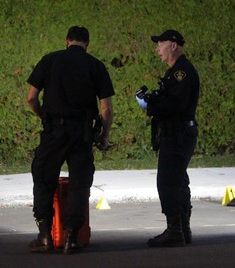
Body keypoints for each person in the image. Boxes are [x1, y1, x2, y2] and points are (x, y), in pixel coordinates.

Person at [26, 26, 115, 254]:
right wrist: (104, 136)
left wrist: (44, 117)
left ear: (67, 41)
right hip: (82, 134)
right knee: (79, 184)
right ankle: (71, 238)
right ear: (87, 44)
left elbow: (31, 98)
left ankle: (45, 236)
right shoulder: (96, 66)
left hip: (54, 131)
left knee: (44, 179)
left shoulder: (50, 60)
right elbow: (106, 109)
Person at [136, 29, 200, 247]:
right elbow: (171, 98)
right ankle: (182, 229)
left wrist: (150, 104)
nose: (157, 49)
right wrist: (153, 98)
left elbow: (176, 104)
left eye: (160, 44)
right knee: (178, 180)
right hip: (178, 132)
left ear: (173, 45)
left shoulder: (181, 72)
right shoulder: (176, 71)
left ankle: (175, 231)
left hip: (177, 133)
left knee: (168, 182)